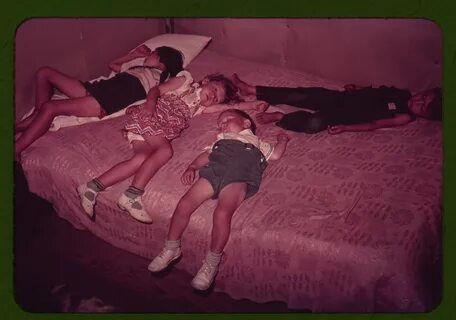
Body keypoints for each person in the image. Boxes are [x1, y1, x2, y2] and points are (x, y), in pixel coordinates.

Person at [77, 73, 266, 224]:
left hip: (156, 131)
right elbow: (155, 90)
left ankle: (91, 186)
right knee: (165, 151)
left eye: (216, 99)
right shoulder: (185, 81)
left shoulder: (199, 108)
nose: (213, 97)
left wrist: (253, 104)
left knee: (140, 159)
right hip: (150, 117)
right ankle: (132, 194)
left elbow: (233, 107)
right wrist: (150, 105)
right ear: (206, 81)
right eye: (214, 89)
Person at [147, 109, 290, 291]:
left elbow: (276, 155)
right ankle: (171, 247)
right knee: (184, 204)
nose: (222, 124)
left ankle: (211, 263)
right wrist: (192, 167)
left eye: (227, 119)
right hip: (214, 172)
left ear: (246, 123)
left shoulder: (257, 142)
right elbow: (207, 156)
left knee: (222, 212)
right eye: (219, 123)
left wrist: (282, 141)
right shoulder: (220, 140)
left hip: (239, 177)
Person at [15, 45, 184, 159]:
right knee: (44, 72)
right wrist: (135, 55)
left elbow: (173, 87)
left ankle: (15, 149)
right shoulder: (138, 67)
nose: (149, 55)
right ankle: (37, 116)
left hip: (109, 98)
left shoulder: (162, 78)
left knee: (50, 107)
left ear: (163, 60)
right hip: (98, 88)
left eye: (153, 53)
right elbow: (113, 65)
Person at [232, 74, 442, 134]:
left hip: (343, 116)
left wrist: (346, 128)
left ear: (423, 116)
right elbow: (375, 93)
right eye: (424, 96)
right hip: (340, 99)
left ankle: (281, 118)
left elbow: (374, 125)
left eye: (422, 106)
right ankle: (252, 90)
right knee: (301, 95)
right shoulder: (401, 92)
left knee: (313, 124)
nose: (419, 101)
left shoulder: (405, 115)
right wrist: (357, 89)